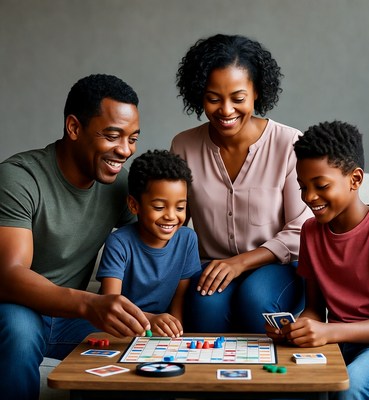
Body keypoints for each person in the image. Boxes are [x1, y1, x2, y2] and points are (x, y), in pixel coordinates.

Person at [0, 74, 152, 400]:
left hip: (70, 319)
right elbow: (9, 276)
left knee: (142, 346)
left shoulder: (119, 187)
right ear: (74, 128)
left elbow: (161, 233)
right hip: (16, 310)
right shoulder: (18, 178)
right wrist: (89, 304)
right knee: (20, 332)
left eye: (133, 138)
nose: (125, 150)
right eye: (113, 135)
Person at [170, 33, 312, 333]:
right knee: (204, 304)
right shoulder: (183, 146)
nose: (225, 110)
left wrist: (240, 263)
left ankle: (267, 379)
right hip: (212, 265)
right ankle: (212, 380)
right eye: (213, 98)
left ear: (257, 92)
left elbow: (300, 230)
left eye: (238, 98)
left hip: (278, 267)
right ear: (199, 95)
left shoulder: (289, 144)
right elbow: (177, 221)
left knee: (256, 298)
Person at [266, 121, 369, 399]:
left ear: (355, 179)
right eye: (303, 186)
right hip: (340, 340)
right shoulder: (311, 231)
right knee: (285, 384)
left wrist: (330, 332)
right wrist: (298, 330)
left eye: (321, 185)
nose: (309, 197)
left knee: (350, 390)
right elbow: (314, 308)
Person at [97, 149, 201, 337]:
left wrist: (176, 333)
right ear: (134, 205)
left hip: (158, 331)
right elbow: (111, 303)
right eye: (159, 207)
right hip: (119, 329)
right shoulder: (119, 242)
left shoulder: (187, 239)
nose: (171, 216)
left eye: (180, 207)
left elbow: (180, 299)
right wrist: (151, 320)